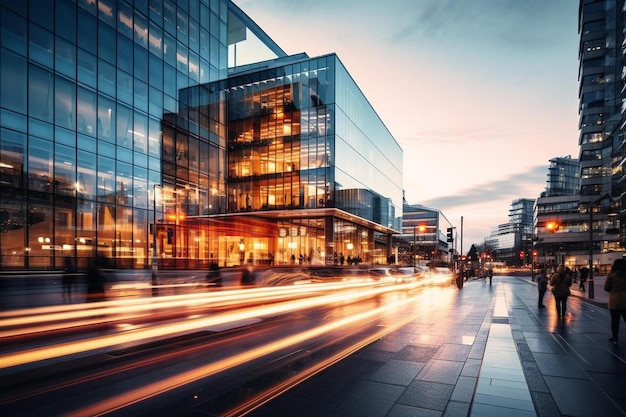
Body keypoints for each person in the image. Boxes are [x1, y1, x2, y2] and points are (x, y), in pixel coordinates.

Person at [604, 259, 626, 344]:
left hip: (615, 300)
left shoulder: (611, 275)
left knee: (615, 320)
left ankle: (615, 338)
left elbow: (606, 288)